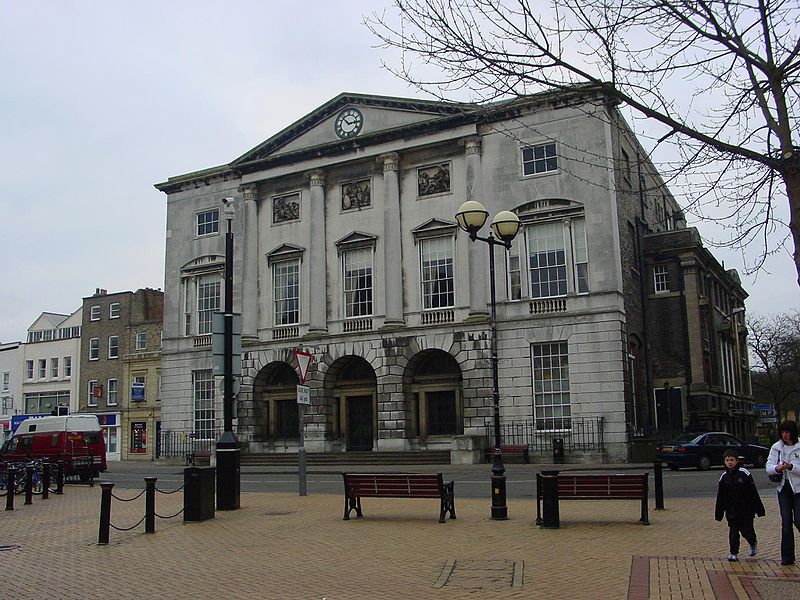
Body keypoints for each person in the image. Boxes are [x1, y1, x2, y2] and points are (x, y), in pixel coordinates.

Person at [715, 449, 765, 561]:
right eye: (727, 460)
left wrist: (759, 510)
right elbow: (720, 497)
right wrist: (719, 514)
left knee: (747, 531)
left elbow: (753, 492)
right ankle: (733, 552)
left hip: (746, 510)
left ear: (737, 461)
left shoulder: (744, 474)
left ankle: (752, 542)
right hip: (731, 511)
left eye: (732, 460)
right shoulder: (723, 477)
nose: (729, 462)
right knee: (733, 533)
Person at [766, 420, 800, 565]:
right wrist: (777, 468)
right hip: (783, 489)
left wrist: (791, 467)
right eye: (783, 432)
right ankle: (787, 557)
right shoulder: (777, 447)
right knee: (786, 523)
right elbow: (769, 466)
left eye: (787, 432)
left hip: (798, 489)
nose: (785, 435)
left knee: (798, 520)